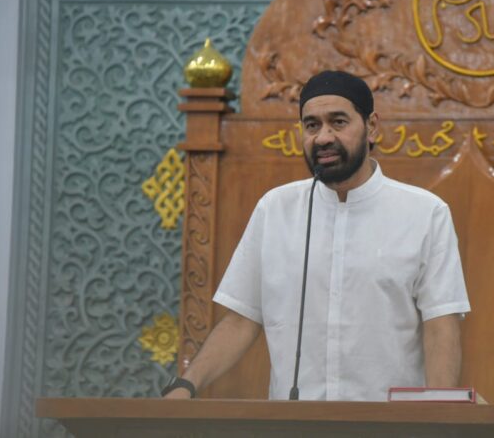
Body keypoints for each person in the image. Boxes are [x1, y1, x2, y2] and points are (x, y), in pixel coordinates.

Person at [162, 70, 470, 401]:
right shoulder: (275, 209)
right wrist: (185, 386)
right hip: (295, 424)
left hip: (388, 425)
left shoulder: (424, 213)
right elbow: (241, 320)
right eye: (312, 126)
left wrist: (441, 416)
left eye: (338, 122)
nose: (323, 137)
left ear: (372, 127)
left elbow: (441, 325)